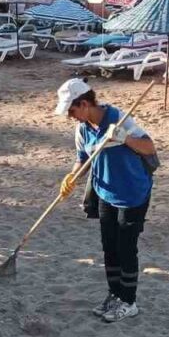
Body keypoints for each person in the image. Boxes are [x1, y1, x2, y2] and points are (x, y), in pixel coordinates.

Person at [54, 78, 156, 323]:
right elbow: (82, 158)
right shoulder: (82, 129)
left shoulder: (119, 119)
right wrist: (72, 177)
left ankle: (128, 301)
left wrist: (124, 138)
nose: (70, 116)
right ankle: (115, 294)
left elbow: (149, 148)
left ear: (86, 103)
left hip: (132, 192)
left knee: (126, 248)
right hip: (104, 192)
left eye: (72, 110)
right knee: (109, 247)